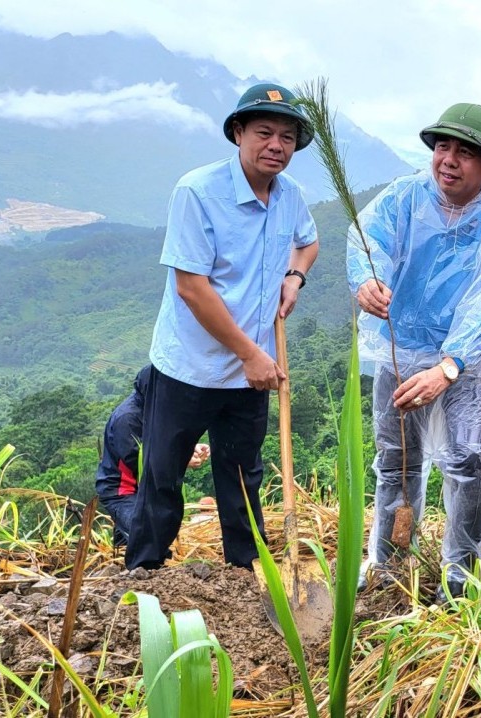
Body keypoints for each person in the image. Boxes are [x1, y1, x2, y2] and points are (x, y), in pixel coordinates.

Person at [125, 83, 318, 570]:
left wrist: (294, 278)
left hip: (249, 373)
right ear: (238, 133)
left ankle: (247, 574)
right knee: (163, 475)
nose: (276, 145)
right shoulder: (198, 191)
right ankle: (145, 573)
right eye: (264, 132)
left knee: (240, 476)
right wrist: (251, 354)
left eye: (288, 137)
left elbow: (307, 243)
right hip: (189, 366)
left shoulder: (290, 195)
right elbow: (192, 287)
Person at [348, 103, 481, 602]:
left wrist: (450, 366)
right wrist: (366, 279)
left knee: (467, 460)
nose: (449, 159)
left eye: (466, 152)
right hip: (400, 348)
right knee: (396, 459)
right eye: (443, 146)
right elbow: (368, 241)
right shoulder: (405, 198)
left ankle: (461, 579)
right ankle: (389, 565)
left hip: (470, 362)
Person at [94, 364, 209, 546]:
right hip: (122, 491)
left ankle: (124, 563)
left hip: (143, 490)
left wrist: (191, 447)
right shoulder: (127, 419)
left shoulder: (153, 410)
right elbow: (137, 458)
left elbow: (163, 441)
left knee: (130, 542)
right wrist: (182, 460)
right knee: (146, 536)